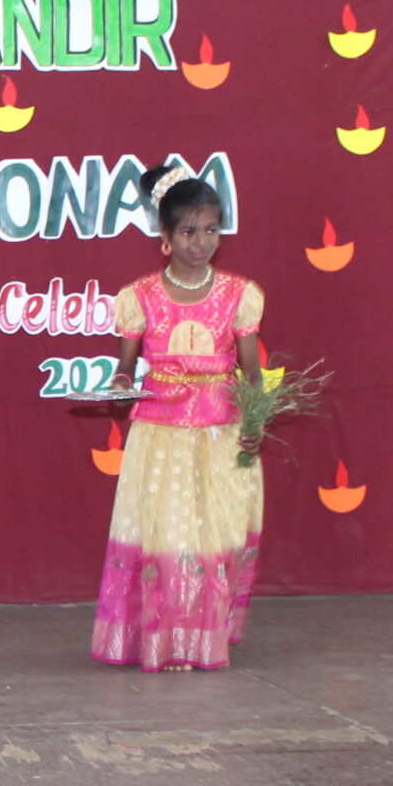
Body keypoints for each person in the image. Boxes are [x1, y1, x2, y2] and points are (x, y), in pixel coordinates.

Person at [91, 168, 265, 671]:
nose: (201, 242)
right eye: (188, 231)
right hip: (159, 435)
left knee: (211, 538)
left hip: (220, 432)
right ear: (164, 238)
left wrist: (254, 424)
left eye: (211, 229)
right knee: (166, 537)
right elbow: (126, 370)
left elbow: (252, 375)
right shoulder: (140, 296)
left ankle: (198, 637)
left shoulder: (240, 294)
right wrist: (119, 388)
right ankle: (163, 641)